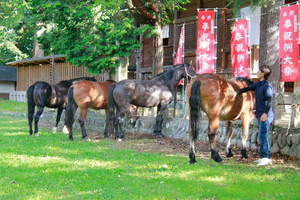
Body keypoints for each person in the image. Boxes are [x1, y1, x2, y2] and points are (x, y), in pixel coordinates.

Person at [236, 65, 274, 166]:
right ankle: (263, 157)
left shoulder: (267, 86)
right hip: (259, 114)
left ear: (263, 74)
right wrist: (237, 92)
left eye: (258, 71)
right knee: (262, 136)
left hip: (265, 115)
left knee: (263, 136)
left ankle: (265, 158)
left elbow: (270, 101)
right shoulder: (259, 84)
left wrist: (265, 114)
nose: (257, 72)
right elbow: (248, 88)